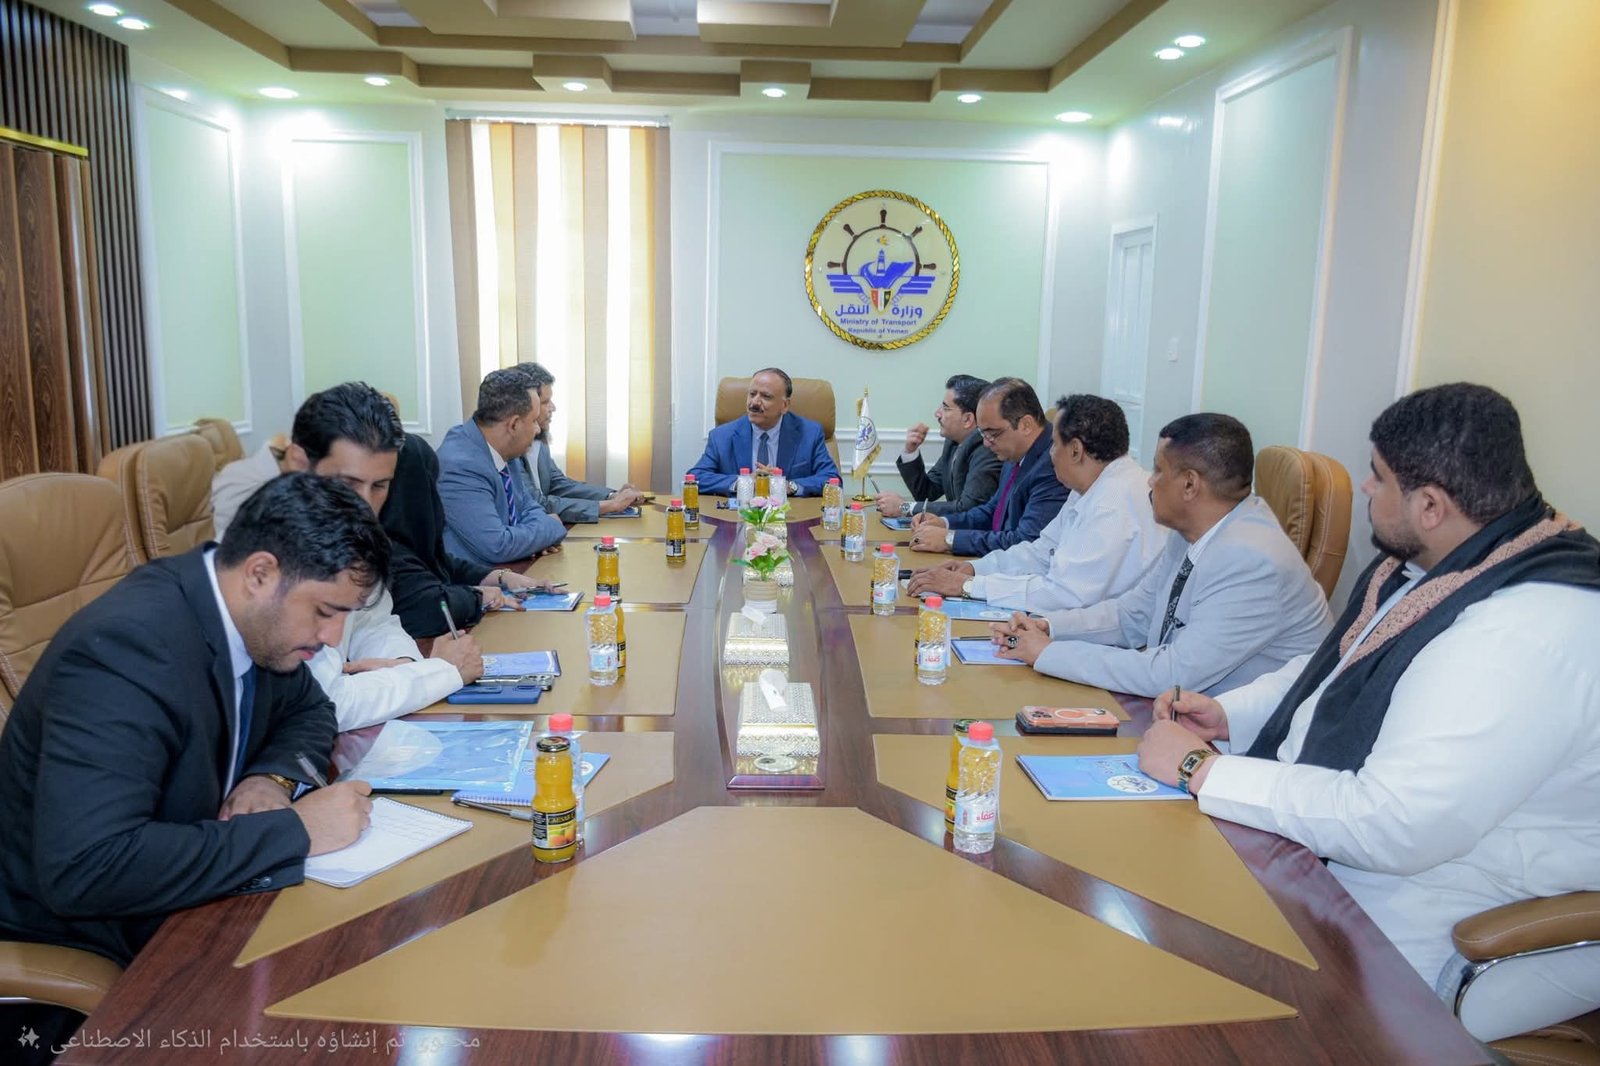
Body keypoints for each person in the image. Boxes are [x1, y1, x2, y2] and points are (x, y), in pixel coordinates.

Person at [1135, 384, 1600, 1044]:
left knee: (1204, 992)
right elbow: (1337, 671)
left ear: (1431, 506)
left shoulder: (1519, 632)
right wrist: (1228, 714)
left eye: (1378, 476)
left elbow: (1395, 824)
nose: (1364, 487)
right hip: (1351, 856)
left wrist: (1200, 771)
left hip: (1457, 911)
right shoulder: (1451, 563)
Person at [0, 474, 381, 981]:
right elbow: (88, 867)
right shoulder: (126, 652)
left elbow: (310, 710)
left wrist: (270, 778)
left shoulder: (253, 622)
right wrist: (295, 831)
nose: (333, 637)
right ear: (260, 573)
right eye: (325, 611)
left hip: (195, 889)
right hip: (100, 937)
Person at [991, 412, 1329, 697]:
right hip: (1181, 713)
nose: (1150, 482)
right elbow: (1132, 615)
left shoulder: (1252, 560)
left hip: (1238, 741)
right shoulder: (1194, 532)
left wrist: (1050, 653)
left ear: (1190, 485)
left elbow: (1173, 675)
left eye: (1158, 470)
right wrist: (1049, 627)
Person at [210, 383, 484, 729]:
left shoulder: (350, 537)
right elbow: (325, 702)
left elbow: (374, 619)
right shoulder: (264, 548)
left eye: (379, 486)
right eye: (348, 484)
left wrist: (403, 662)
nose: (364, 505)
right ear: (298, 463)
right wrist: (440, 672)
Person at [909, 394, 1167, 611]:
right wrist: (973, 569)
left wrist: (967, 586)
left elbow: (1063, 595)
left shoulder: (1111, 504)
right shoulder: (1090, 487)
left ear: (1075, 450)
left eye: (1055, 445)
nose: (1050, 454)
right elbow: (1041, 552)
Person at [381, 432, 551, 639]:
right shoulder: (381, 543)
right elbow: (426, 608)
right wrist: (477, 597)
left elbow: (442, 563)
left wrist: (502, 577)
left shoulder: (407, 533)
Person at [906, 377, 1069, 557]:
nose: (986, 443)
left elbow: (1025, 542)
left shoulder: (1054, 465)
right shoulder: (1014, 451)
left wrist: (950, 539)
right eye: (983, 434)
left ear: (1025, 425)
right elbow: (992, 510)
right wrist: (945, 522)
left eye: (992, 434)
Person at [438, 367, 567, 567]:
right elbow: (498, 545)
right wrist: (549, 528)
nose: (538, 429)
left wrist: (531, 541)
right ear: (513, 425)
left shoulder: (506, 451)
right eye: (534, 420)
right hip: (477, 581)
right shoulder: (460, 465)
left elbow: (530, 508)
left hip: (514, 570)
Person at [513, 361, 645, 522]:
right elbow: (538, 503)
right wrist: (610, 505)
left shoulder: (539, 441)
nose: (553, 408)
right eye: (545, 402)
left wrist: (612, 496)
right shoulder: (511, 449)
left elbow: (559, 484)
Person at [687, 368, 841, 496]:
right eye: (752, 394)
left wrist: (789, 486)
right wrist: (744, 483)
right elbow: (695, 477)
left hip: (790, 517)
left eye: (766, 396)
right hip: (738, 516)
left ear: (785, 405)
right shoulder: (721, 436)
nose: (754, 402)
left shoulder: (809, 434)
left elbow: (832, 479)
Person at [873, 374, 1001, 518]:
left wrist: (904, 507)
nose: (937, 413)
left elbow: (967, 508)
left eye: (946, 408)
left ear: (967, 419)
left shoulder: (987, 450)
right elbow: (927, 492)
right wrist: (911, 452)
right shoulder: (953, 443)